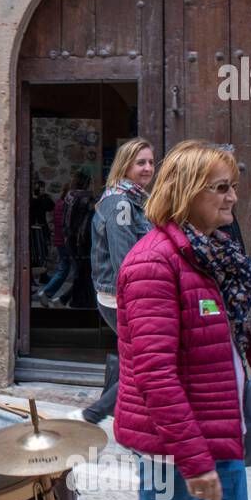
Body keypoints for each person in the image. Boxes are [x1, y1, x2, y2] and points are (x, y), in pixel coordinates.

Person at [87, 139, 251, 500]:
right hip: (177, 450)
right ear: (188, 192)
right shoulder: (153, 263)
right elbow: (154, 373)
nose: (232, 199)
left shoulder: (209, 254)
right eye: (221, 188)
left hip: (221, 438)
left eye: (234, 187)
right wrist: (193, 459)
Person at [70, 138, 155, 424]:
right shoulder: (120, 202)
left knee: (135, 357)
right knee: (149, 363)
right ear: (125, 165)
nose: (147, 168)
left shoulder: (134, 199)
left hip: (124, 297)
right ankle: (91, 414)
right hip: (121, 298)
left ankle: (111, 414)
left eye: (151, 162)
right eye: (140, 162)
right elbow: (126, 262)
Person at [61, 170, 96, 308]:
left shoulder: (69, 196)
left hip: (70, 238)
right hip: (82, 240)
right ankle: (79, 301)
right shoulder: (87, 198)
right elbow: (89, 221)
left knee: (80, 271)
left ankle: (77, 301)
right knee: (83, 271)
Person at [39, 180, 71, 302]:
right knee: (63, 269)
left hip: (60, 240)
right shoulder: (65, 205)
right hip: (64, 241)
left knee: (64, 268)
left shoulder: (59, 203)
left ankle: (48, 293)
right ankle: (47, 293)